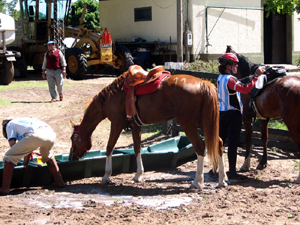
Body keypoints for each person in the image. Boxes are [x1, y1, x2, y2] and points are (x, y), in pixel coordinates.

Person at [217, 53, 265, 180]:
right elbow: (245, 89)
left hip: (222, 113)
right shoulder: (230, 79)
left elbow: (237, 83)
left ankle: (215, 168)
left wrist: (249, 77)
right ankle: (232, 171)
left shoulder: (220, 77)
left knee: (220, 141)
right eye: (234, 64)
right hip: (233, 115)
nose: (237, 66)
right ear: (228, 66)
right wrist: (256, 77)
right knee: (233, 143)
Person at [0, 117, 65, 195]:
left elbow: (12, 144)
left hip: (35, 135)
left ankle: (5, 188)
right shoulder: (24, 121)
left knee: (9, 156)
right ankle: (59, 181)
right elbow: (26, 147)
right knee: (47, 155)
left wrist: (15, 157)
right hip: (51, 134)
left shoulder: (9, 125)